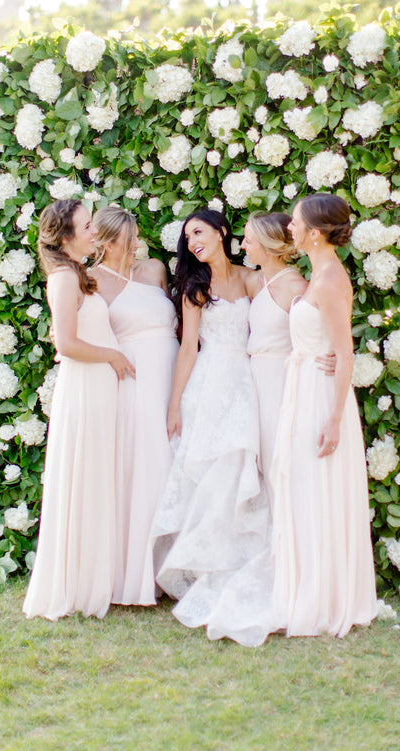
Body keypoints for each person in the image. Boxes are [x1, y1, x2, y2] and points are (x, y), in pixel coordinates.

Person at [152, 210, 274, 645]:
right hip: (207, 386)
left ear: (223, 232)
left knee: (239, 471)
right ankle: (207, 569)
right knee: (208, 477)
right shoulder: (194, 287)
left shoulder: (251, 279)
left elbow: (281, 318)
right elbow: (188, 349)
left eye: (199, 231)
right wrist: (173, 406)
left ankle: (239, 566)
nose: (193, 241)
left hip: (245, 384)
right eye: (188, 237)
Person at [271, 193, 377, 637]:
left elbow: (345, 354)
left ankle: (324, 599)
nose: (289, 228)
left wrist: (334, 418)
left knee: (318, 492)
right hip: (304, 388)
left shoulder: (331, 279)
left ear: (315, 233)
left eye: (295, 223)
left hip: (321, 399)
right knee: (300, 491)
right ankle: (301, 591)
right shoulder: (318, 273)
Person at [23, 199, 135, 621]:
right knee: (83, 478)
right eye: (87, 226)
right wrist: (112, 355)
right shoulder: (65, 278)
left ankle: (92, 579)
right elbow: (66, 344)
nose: (95, 231)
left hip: (97, 390)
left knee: (95, 479)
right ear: (66, 236)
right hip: (86, 389)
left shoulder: (76, 275)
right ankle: (76, 584)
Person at [92, 206, 179, 606]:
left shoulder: (155, 270)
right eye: (122, 239)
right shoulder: (92, 281)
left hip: (173, 372)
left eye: (133, 236)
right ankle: (141, 573)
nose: (131, 245)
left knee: (179, 460)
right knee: (147, 466)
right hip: (135, 382)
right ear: (105, 241)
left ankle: (178, 566)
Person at [243, 211, 313, 504]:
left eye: (248, 240)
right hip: (252, 379)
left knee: (279, 457)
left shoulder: (296, 286)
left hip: (280, 379)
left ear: (268, 245)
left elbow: (311, 339)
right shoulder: (253, 282)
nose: (243, 246)